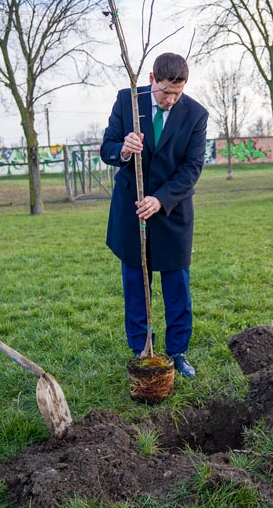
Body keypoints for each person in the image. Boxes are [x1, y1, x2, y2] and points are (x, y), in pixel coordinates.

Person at [100, 53, 208, 378]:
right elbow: (106, 147)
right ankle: (142, 348)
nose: (171, 99)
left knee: (177, 287)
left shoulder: (196, 114)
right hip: (131, 211)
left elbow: (192, 168)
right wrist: (122, 148)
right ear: (151, 79)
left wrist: (160, 200)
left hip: (172, 212)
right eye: (164, 92)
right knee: (136, 285)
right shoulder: (126, 101)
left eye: (177, 92)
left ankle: (177, 352)